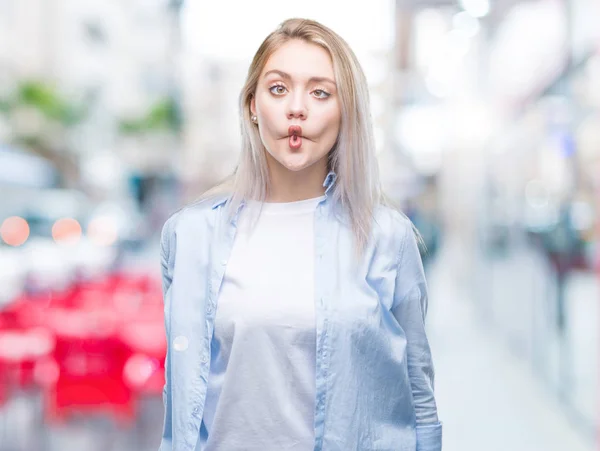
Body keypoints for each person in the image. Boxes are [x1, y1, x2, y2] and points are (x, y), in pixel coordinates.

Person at [159, 18, 442, 451]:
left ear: (345, 110)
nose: (297, 108)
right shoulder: (190, 235)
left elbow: (419, 391)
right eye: (278, 89)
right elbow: (180, 397)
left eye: (320, 92)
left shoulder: (387, 236)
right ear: (252, 105)